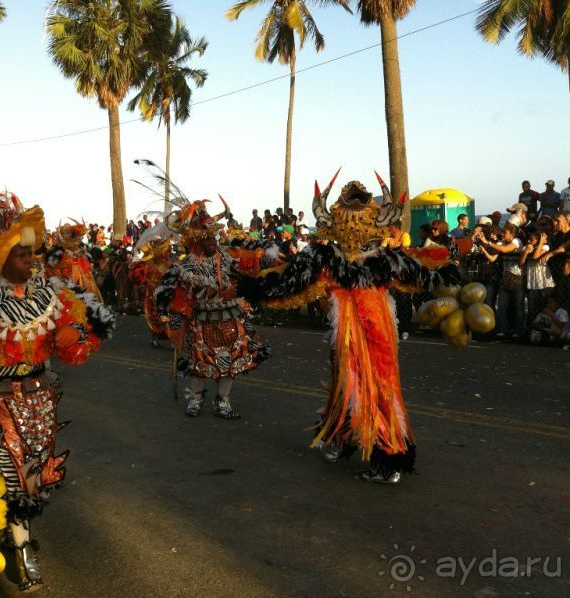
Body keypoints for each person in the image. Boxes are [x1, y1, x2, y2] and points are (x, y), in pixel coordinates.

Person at [0, 193, 114, 590]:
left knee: (35, 479)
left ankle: (17, 531)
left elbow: (90, 333)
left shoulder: (54, 294)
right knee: (11, 480)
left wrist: (73, 336)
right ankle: (25, 553)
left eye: (32, 253)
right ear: (0, 258)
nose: (32, 260)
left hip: (43, 402)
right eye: (21, 254)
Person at [258, 174, 461, 484]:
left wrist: (443, 270)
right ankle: (340, 438)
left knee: (373, 385)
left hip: (374, 330)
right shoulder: (343, 258)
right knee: (347, 380)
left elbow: (420, 273)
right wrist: (255, 287)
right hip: (351, 329)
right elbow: (291, 281)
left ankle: (387, 456)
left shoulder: (377, 259)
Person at [155, 200, 269, 419]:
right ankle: (196, 399)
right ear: (197, 241)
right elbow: (176, 289)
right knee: (199, 363)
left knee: (231, 362)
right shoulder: (186, 264)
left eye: (213, 237)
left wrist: (255, 261)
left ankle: (223, 401)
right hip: (203, 320)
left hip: (230, 318)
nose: (212, 242)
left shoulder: (226, 258)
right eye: (206, 238)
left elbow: (242, 271)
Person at [477, 223, 524, 338]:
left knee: (518, 307)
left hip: (518, 280)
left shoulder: (517, 241)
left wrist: (489, 243)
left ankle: (519, 331)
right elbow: (493, 258)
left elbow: (505, 249)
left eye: (505, 233)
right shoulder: (500, 242)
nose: (502, 234)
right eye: (502, 232)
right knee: (502, 307)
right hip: (505, 280)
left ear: (512, 234)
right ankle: (502, 330)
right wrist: (484, 246)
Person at [520, 230, 554, 325]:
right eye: (528, 239)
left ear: (538, 241)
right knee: (532, 308)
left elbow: (535, 257)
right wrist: (526, 252)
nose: (529, 242)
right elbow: (521, 263)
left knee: (544, 307)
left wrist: (541, 242)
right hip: (532, 282)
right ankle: (532, 329)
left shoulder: (544, 246)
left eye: (531, 240)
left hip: (544, 282)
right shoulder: (527, 248)